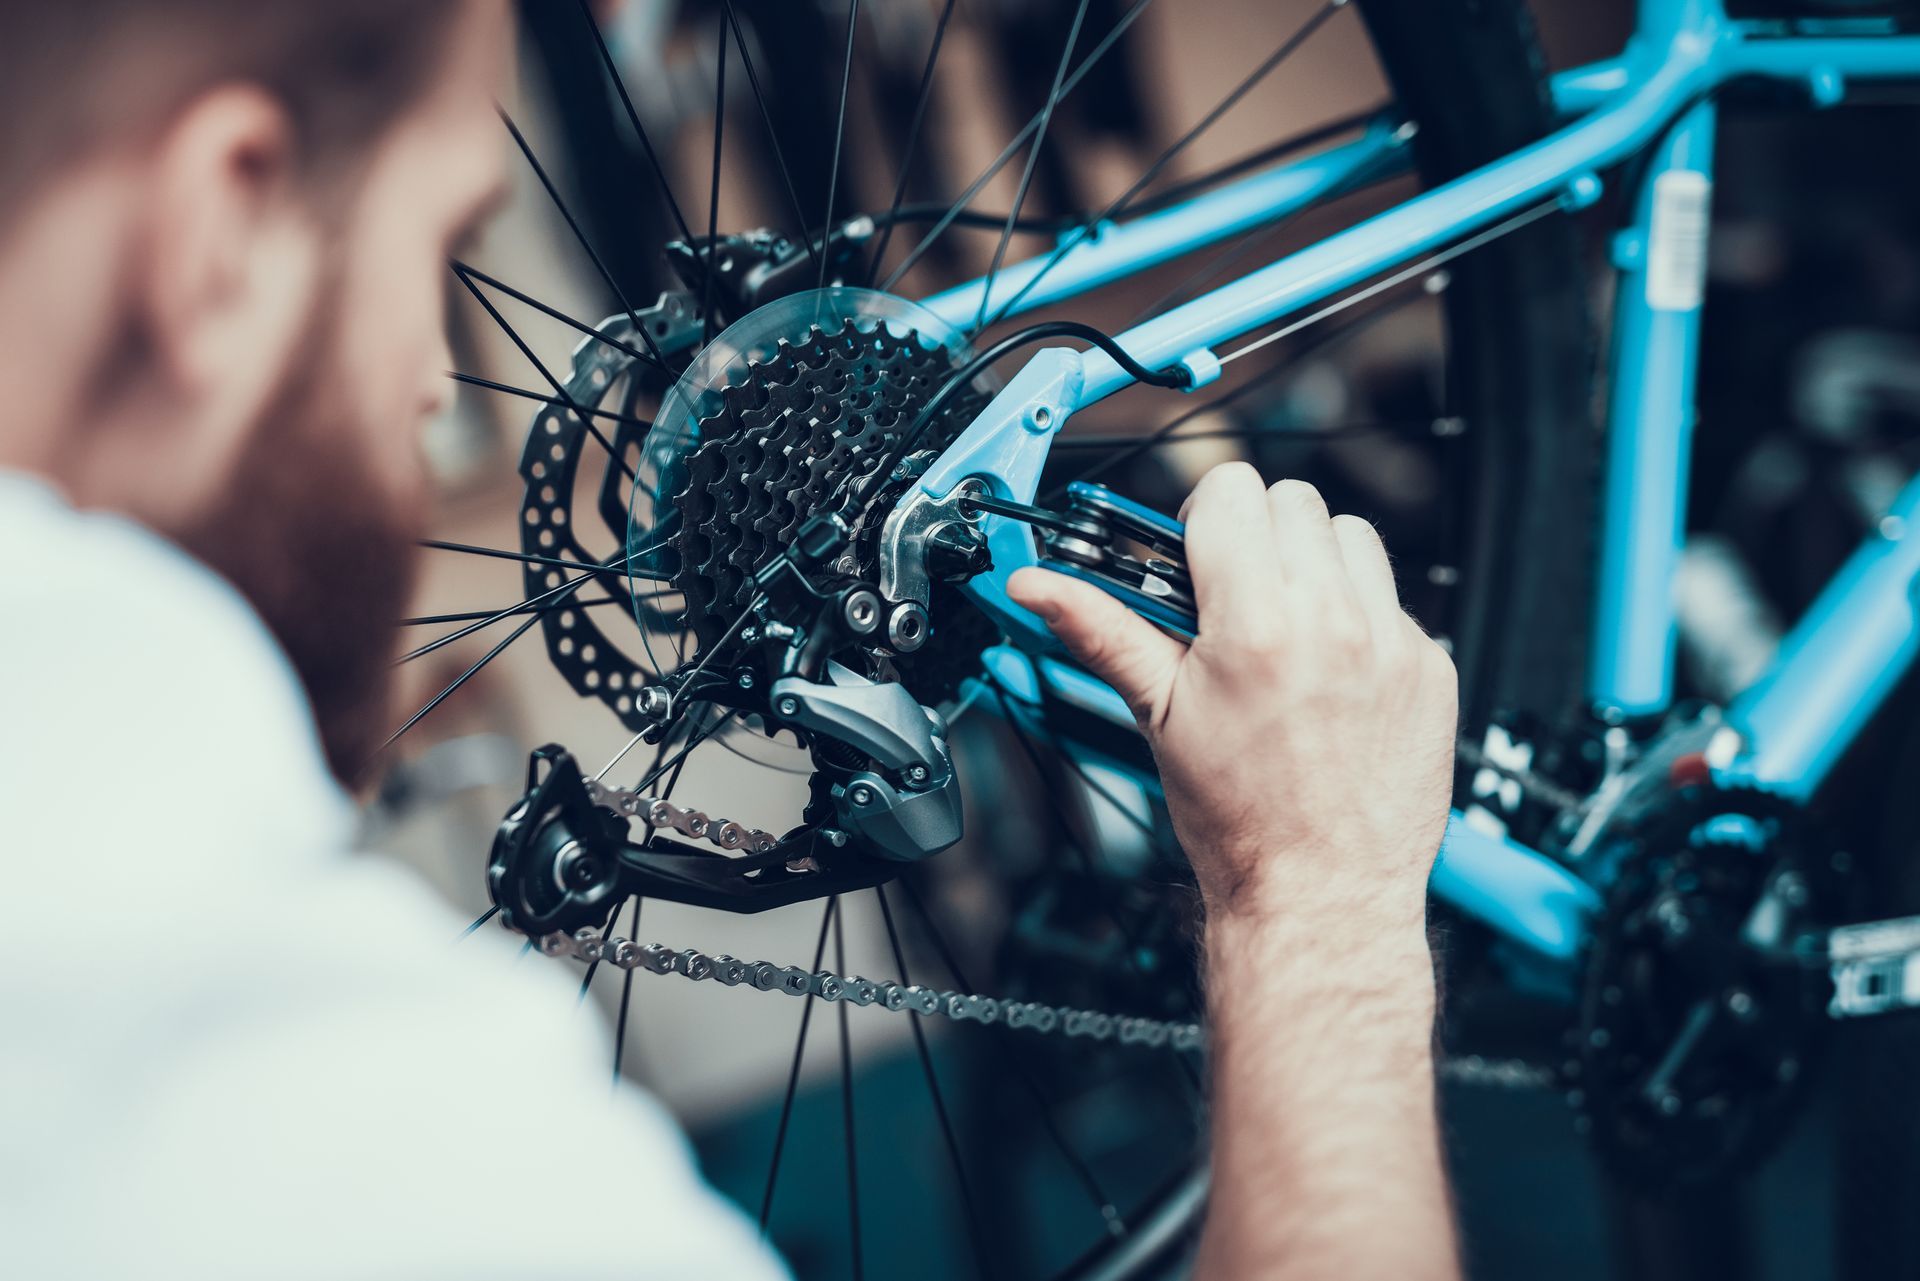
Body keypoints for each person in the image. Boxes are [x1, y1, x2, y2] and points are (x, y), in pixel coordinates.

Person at [0, 2, 1463, 1277]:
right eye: (440, 248)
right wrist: (1319, 896)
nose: (425, 377)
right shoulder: (286, 1097)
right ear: (224, 224)